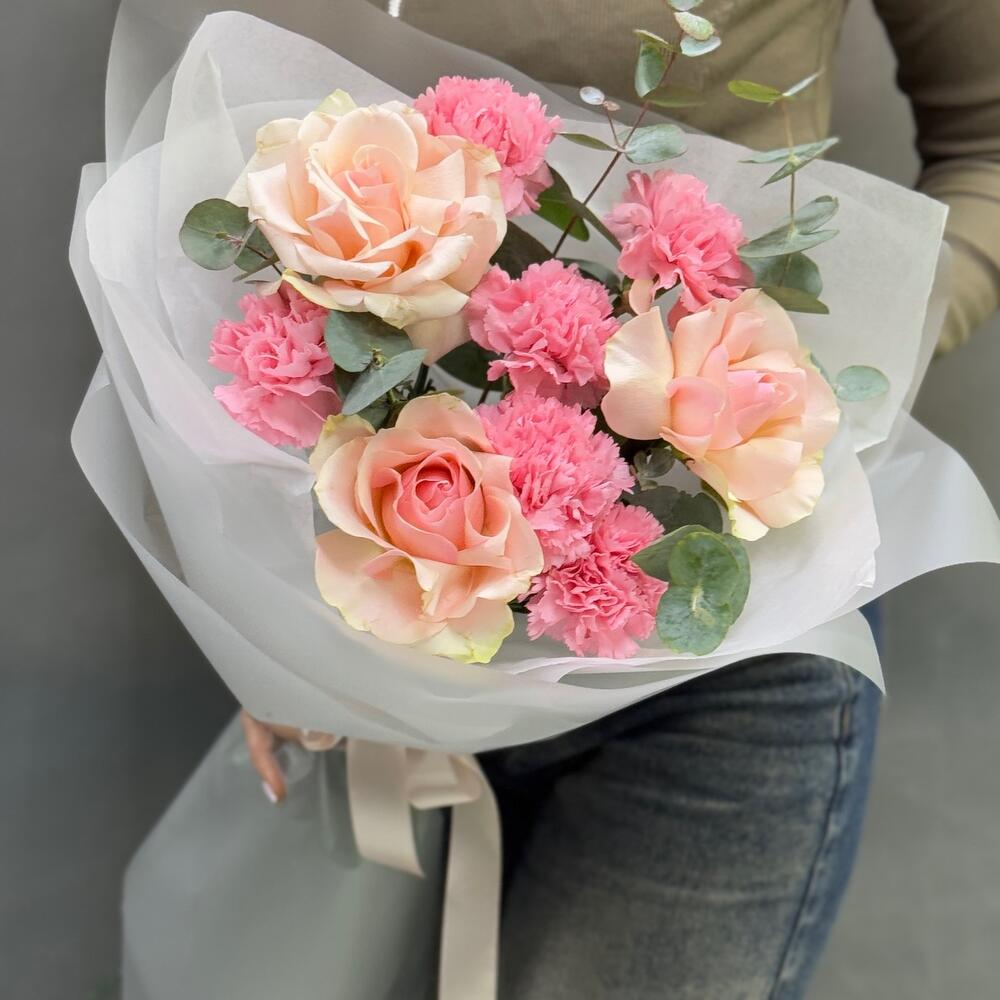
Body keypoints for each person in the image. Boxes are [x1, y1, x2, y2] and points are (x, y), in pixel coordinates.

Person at [242, 1, 1000, 996]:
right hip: (365, 637)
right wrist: (245, 598)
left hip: (717, 660)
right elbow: (223, 145)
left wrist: (799, 387)